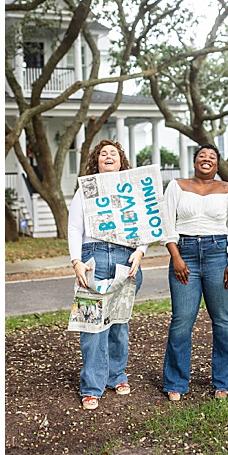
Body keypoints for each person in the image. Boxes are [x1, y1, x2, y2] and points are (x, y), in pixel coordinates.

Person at [67, 139, 146, 410]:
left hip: (126, 257)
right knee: (92, 324)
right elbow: (74, 227)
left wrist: (141, 250)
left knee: (119, 322)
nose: (108, 156)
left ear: (121, 161)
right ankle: (91, 386)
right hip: (94, 257)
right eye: (103, 154)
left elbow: (145, 222)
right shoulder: (86, 189)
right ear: (96, 161)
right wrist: (76, 261)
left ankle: (116, 375)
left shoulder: (132, 190)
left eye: (113, 153)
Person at [161, 143, 228, 401]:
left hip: (218, 254)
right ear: (194, 161)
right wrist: (175, 257)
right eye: (201, 156)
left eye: (211, 157)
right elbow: (167, 223)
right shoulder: (177, 186)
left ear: (217, 165)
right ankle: (175, 381)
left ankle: (222, 382)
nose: (206, 159)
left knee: (222, 320)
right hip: (184, 254)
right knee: (182, 320)